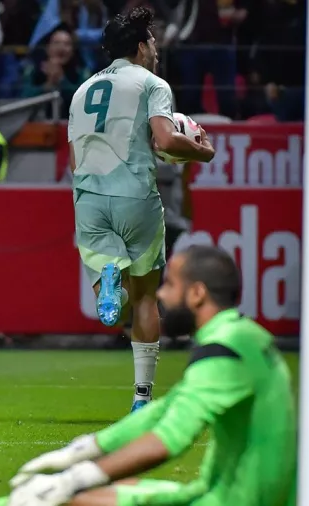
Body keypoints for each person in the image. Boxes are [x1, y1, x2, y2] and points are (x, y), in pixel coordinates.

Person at [0, 246, 297, 506]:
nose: (159, 295)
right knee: (62, 500)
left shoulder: (223, 350)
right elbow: (167, 412)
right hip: (216, 494)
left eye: (168, 284)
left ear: (195, 294)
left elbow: (169, 438)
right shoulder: (243, 339)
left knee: (67, 501)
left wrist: (79, 475)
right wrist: (85, 448)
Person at [69, 6, 214, 412]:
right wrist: (201, 152)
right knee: (147, 298)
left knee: (112, 308)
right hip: (134, 194)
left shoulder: (82, 91)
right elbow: (166, 141)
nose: (155, 48)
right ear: (139, 46)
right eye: (151, 41)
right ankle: (142, 399)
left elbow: (73, 160)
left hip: (89, 199)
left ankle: (109, 275)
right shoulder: (153, 84)